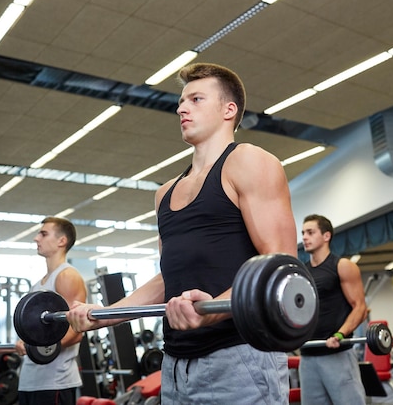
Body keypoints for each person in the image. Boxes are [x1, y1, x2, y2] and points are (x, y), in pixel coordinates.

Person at [66, 63, 298, 404]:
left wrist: (212, 309)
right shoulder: (165, 193)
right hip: (175, 364)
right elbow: (168, 279)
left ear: (228, 110)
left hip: (239, 357)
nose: (181, 108)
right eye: (181, 101)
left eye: (196, 99)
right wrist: (106, 315)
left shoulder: (249, 162)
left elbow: (280, 267)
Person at [0, 216, 86, 405]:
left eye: (43, 234)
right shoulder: (39, 284)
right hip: (30, 381)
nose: (36, 238)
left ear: (62, 241)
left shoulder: (67, 276)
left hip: (55, 382)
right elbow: (31, 337)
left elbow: (76, 331)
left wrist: (34, 347)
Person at [298, 214, 368, 404]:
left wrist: (340, 335)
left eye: (310, 232)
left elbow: (360, 308)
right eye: (303, 233)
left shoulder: (342, 266)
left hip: (337, 354)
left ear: (326, 236)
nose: (304, 237)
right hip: (308, 356)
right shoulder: (301, 272)